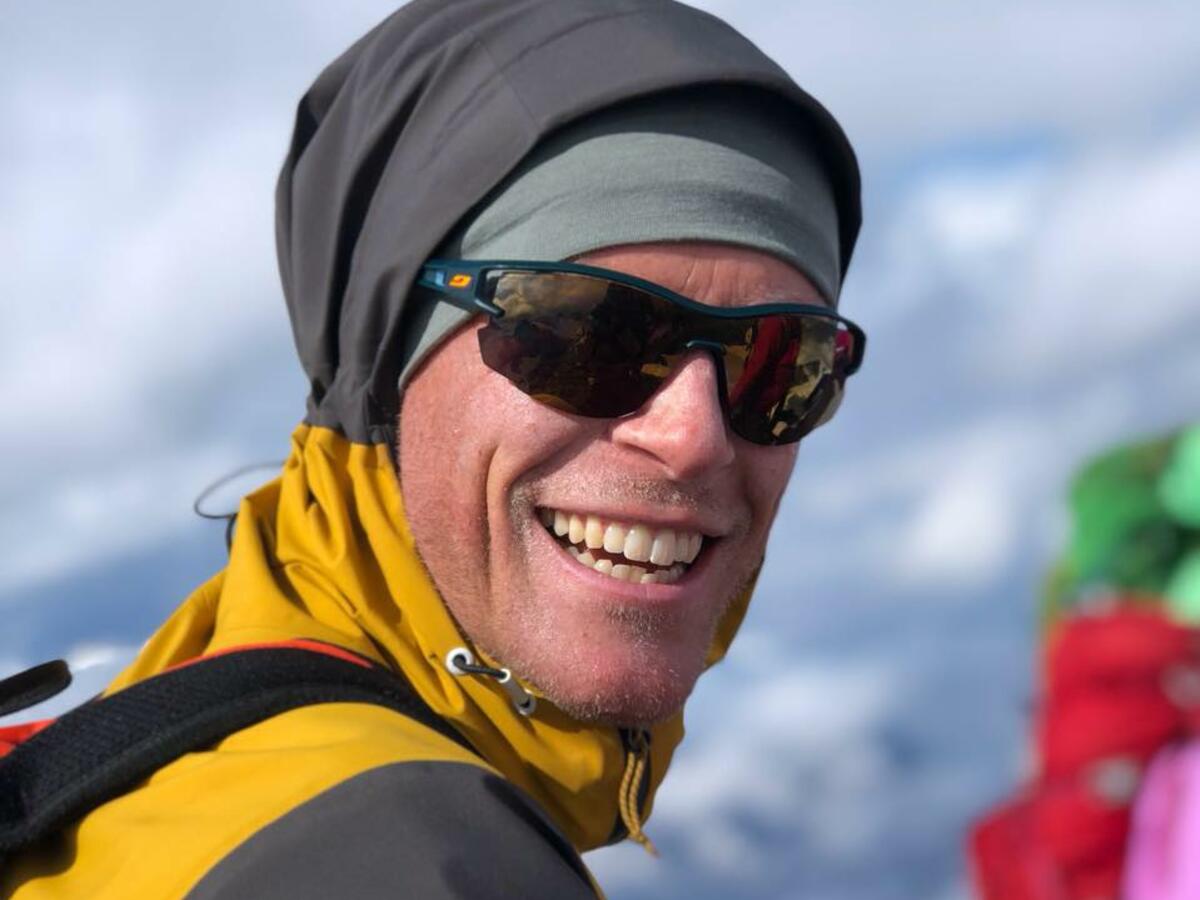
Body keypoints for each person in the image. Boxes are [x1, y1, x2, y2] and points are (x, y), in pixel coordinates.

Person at [2, 0, 863, 896]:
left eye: (782, 362)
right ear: (385, 365)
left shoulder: (161, 741)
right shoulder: (416, 862)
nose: (694, 437)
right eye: (584, 333)